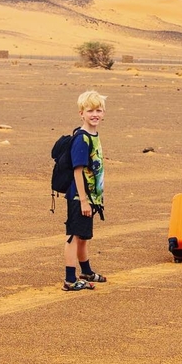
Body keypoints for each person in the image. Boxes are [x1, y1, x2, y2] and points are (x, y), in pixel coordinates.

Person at [62, 90, 107, 291]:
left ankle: (86, 271)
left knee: (83, 236)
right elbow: (78, 170)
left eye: (98, 110)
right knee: (74, 236)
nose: (95, 114)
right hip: (79, 196)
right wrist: (83, 200)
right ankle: (70, 280)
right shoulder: (82, 139)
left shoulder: (94, 135)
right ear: (82, 113)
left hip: (90, 197)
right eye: (90, 111)